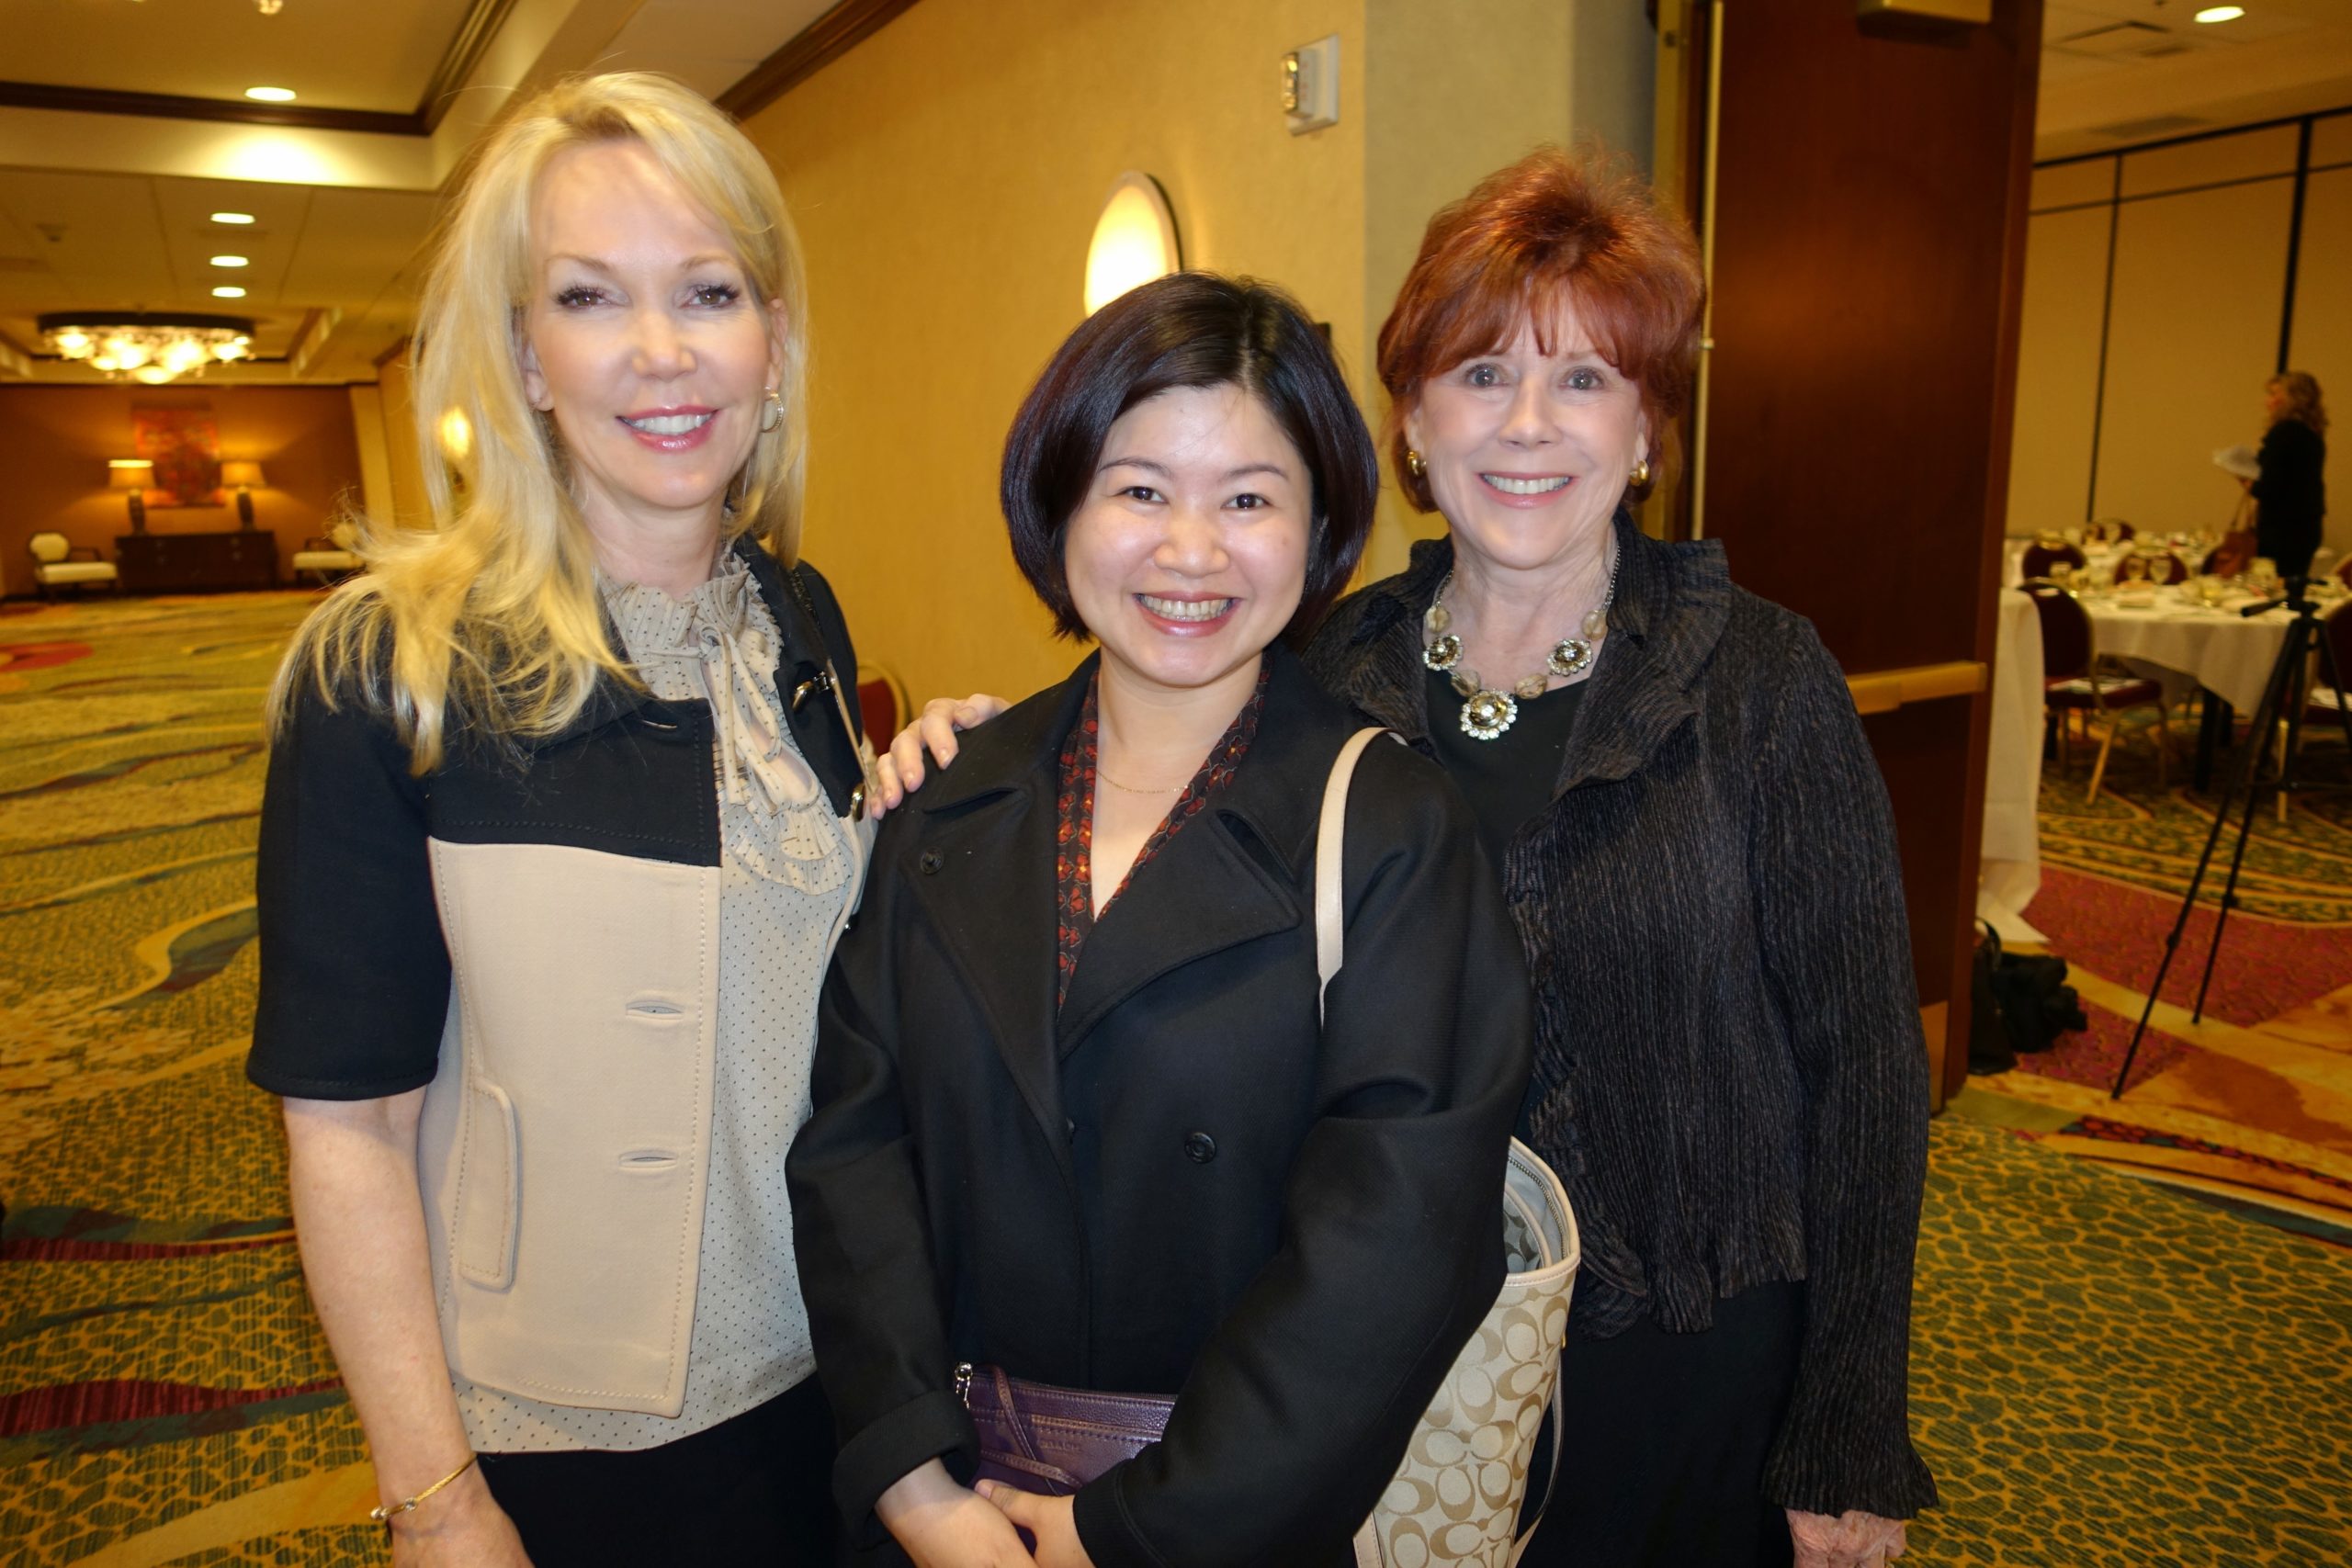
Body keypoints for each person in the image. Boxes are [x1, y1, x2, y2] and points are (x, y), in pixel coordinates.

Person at [879, 149, 1936, 1568]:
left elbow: (1868, 1071)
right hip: (1370, 1364)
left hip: (1685, 1370)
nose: (1527, 425)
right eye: (1483, 373)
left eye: (1584, 379)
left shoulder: (1758, 678)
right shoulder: (1329, 664)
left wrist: (1848, 1430)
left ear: (1646, 428)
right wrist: (973, 746)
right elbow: (1138, 747)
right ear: (1414, 423)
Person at [786, 271, 1532, 1568]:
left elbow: (1397, 1243)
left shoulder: (1393, 829)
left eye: (1248, 499)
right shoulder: (946, 798)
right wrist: (912, 1481)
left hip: (1231, 1522)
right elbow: (854, 1149)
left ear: (1319, 527)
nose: (1192, 551)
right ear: (1060, 504)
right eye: (1139, 490)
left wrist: (1132, 1527)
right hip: (944, 1506)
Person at [248, 73, 870, 1566]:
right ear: (526, 354)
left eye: (709, 291)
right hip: (555, 1438)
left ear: (774, 340)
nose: (663, 351)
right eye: (591, 297)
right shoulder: (390, 667)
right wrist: (435, 1496)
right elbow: (346, 1128)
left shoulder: (796, 620)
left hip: (836, 1378)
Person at [2250, 370, 2327, 578]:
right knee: (2294, 582)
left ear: (2292, 399)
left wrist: (2248, 482)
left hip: (2282, 529)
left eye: (2275, 394)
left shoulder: (2283, 432)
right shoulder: (2313, 433)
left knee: (2272, 584)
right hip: (2307, 526)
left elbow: (2269, 487)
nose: (2268, 402)